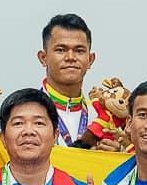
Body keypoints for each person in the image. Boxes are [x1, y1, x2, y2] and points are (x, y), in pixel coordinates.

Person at [34, 14, 119, 149]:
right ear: (43, 58)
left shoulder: (104, 117)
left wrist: (116, 155)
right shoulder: (22, 114)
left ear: (90, 60)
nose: (70, 57)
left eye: (79, 51)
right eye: (61, 50)